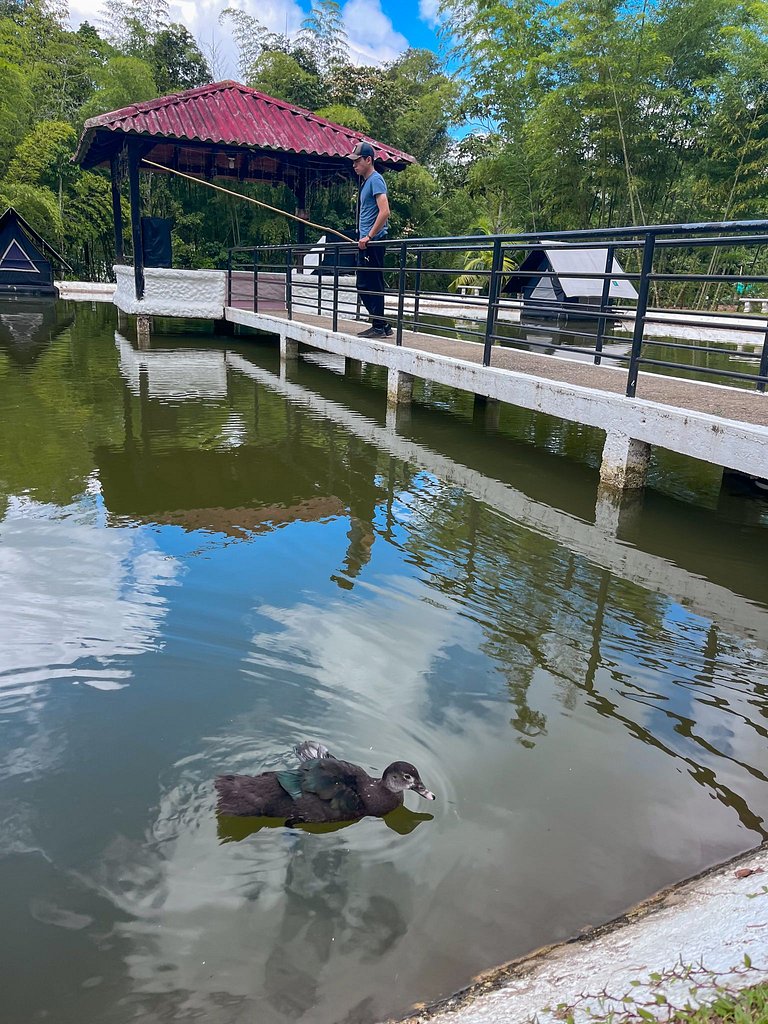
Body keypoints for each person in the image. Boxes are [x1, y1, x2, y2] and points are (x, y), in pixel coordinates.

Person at [349, 140, 391, 337]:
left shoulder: (375, 179)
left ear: (368, 159)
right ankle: (382, 324)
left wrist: (369, 236)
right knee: (366, 283)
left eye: (357, 161)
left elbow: (385, 212)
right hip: (366, 242)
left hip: (373, 242)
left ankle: (379, 326)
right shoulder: (367, 182)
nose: (354, 165)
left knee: (369, 283)